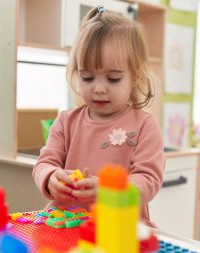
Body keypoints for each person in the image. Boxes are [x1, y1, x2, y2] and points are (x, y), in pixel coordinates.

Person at [32, 5, 165, 227]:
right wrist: (51, 177)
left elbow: (148, 181)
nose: (99, 88)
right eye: (87, 78)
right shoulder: (66, 122)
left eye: (112, 78)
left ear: (136, 76)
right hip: (67, 225)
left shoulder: (144, 125)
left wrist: (108, 188)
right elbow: (44, 163)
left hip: (118, 227)